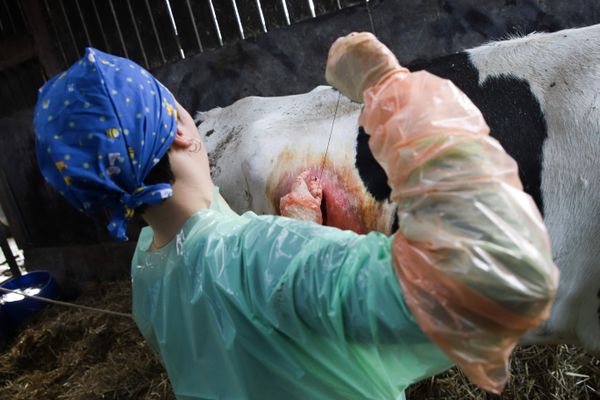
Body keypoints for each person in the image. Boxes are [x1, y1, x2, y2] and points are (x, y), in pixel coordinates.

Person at [33, 33, 558, 400]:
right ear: (182, 131)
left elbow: (260, 341)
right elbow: (495, 281)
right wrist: (396, 97)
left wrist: (299, 234)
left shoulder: (147, 278)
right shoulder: (268, 260)